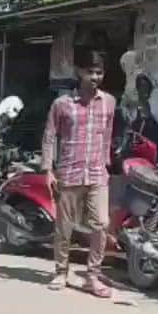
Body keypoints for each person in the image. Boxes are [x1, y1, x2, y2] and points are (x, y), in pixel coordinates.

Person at [42, 48, 118, 298]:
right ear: (79, 72)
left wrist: (106, 163)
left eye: (99, 73)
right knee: (64, 227)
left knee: (101, 225)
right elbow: (50, 136)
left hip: (97, 173)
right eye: (90, 72)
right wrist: (48, 170)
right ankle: (61, 271)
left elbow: (107, 135)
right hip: (69, 172)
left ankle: (92, 275)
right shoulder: (62, 104)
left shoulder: (109, 102)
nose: (95, 77)